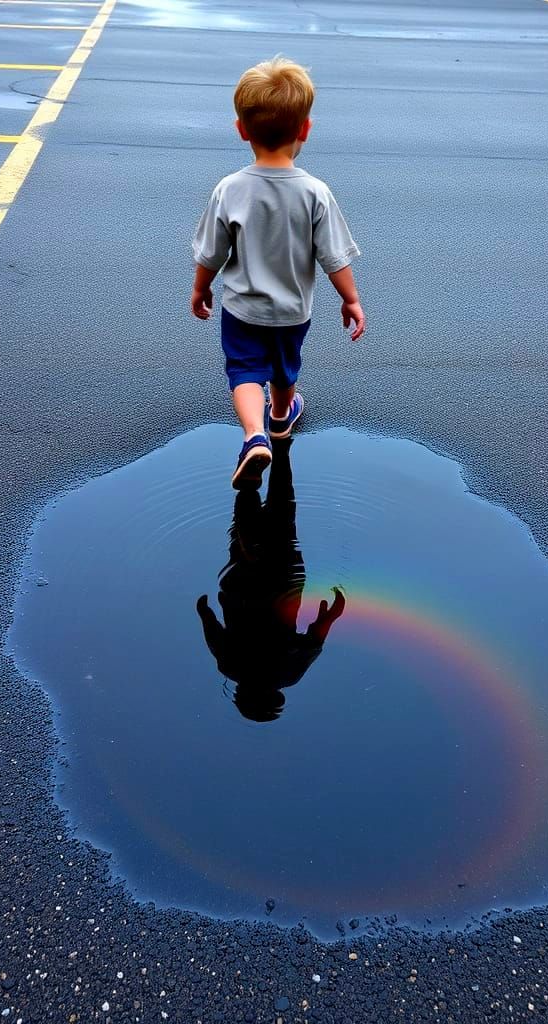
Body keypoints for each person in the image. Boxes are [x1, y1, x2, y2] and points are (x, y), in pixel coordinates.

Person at [190, 56, 365, 488]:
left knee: (245, 371)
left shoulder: (229, 189)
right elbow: (334, 257)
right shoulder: (315, 192)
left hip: (242, 308)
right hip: (293, 311)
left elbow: (211, 252)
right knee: (285, 371)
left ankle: (254, 436)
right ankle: (282, 418)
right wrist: (351, 299)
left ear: (241, 129)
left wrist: (200, 290)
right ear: (305, 129)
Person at [196, 439, 346, 721]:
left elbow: (315, 638)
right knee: (244, 529)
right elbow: (211, 627)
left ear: (277, 697)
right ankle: (251, 478)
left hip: (282, 582)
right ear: (241, 695)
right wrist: (203, 610)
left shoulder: (289, 673)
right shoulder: (230, 667)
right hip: (241, 588)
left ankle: (280, 450)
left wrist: (332, 612)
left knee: (283, 512)